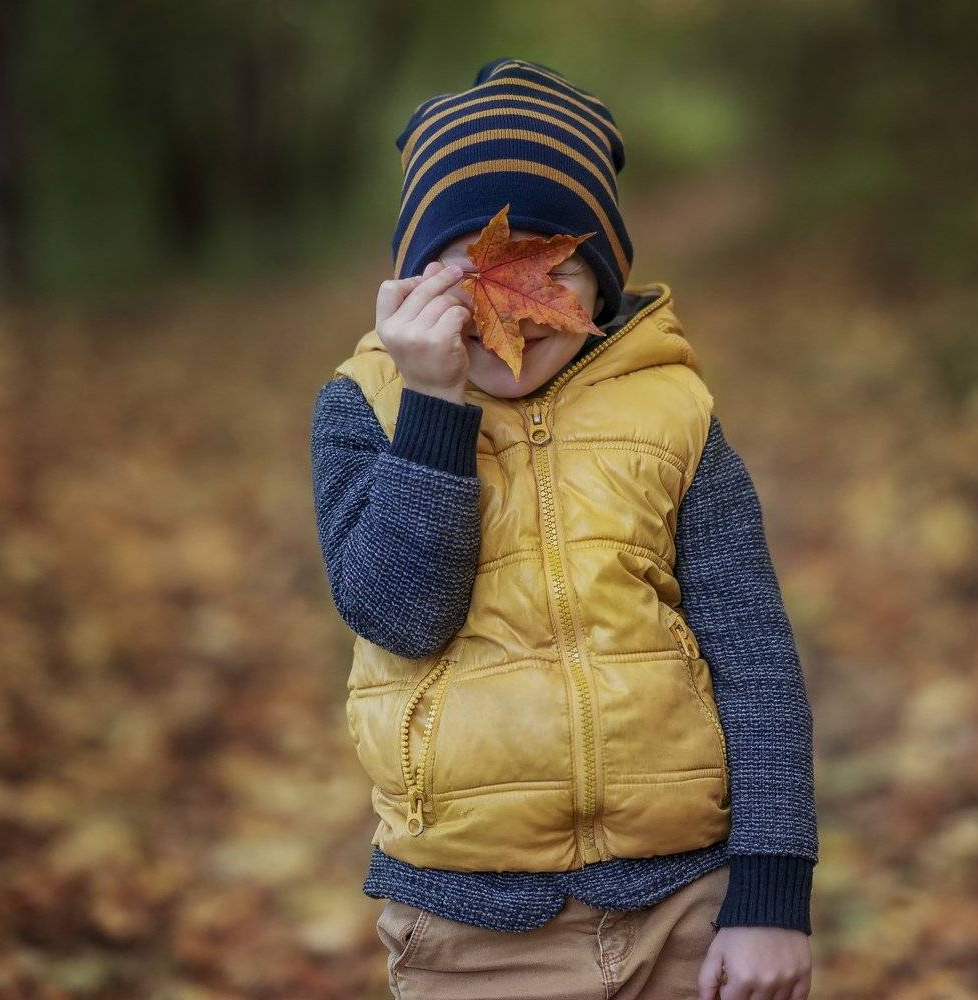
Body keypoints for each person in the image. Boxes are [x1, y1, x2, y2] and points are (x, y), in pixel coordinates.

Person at [309, 57, 818, 1000]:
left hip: (686, 899)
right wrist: (433, 408)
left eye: (546, 270)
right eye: (465, 278)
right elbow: (400, 615)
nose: (501, 310)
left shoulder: (674, 414)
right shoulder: (365, 408)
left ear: (602, 283)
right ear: (412, 286)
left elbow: (753, 654)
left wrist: (771, 895)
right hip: (469, 922)